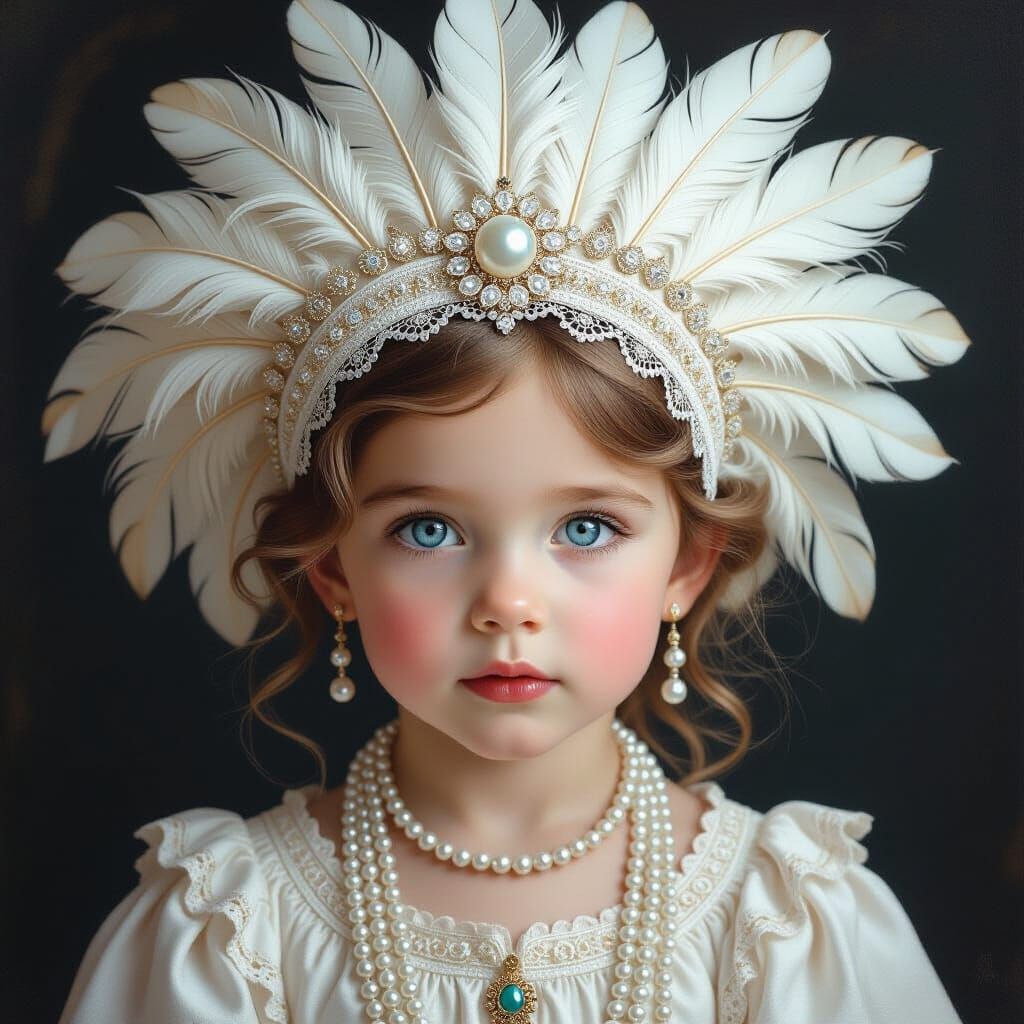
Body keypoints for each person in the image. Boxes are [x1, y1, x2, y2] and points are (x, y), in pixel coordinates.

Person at [47, 1, 969, 1020]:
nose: (506, 601)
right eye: (427, 529)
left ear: (688, 565)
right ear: (332, 568)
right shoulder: (222, 931)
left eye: (585, 528)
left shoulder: (793, 923)